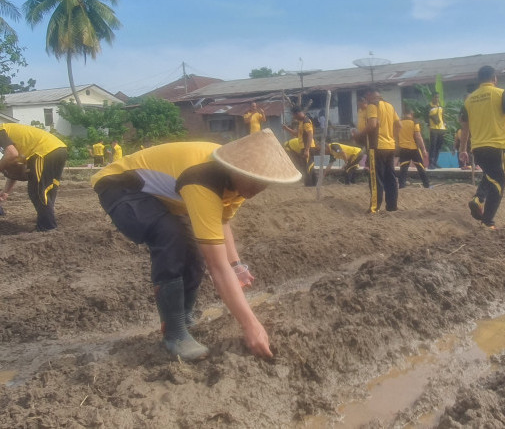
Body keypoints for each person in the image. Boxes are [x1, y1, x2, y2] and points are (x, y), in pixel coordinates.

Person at [90, 129, 301, 361]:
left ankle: (184, 316)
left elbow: (222, 221)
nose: (257, 188)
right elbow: (217, 266)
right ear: (238, 168)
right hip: (121, 187)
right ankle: (174, 333)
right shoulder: (204, 178)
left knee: (195, 251)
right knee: (172, 238)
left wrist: (237, 265)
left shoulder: (238, 184)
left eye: (265, 183)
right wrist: (251, 325)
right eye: (255, 179)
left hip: (158, 197)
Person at [459, 65, 505, 229]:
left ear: (479, 81)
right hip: (499, 147)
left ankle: (479, 199)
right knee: (499, 182)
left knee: (490, 175)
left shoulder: (469, 100)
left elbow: (465, 128)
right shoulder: (501, 94)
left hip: (478, 148)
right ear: (494, 79)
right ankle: (488, 222)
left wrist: (463, 149)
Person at [0, 123, 68, 231]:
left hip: (43, 151)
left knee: (36, 190)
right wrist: (6, 191)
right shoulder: (15, 141)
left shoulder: (1, 130)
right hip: (59, 149)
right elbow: (13, 166)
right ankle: (46, 222)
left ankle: (47, 226)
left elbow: (12, 154)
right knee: (48, 189)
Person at [357, 89, 401, 213]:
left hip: (376, 146)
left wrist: (359, 135)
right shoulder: (390, 106)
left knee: (376, 177)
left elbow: (372, 125)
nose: (366, 99)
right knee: (390, 177)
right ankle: (392, 206)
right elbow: (399, 125)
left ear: (370, 95)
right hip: (390, 146)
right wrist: (392, 138)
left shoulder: (373, 105)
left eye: (367, 96)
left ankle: (374, 207)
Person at [283, 106, 317, 186]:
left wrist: (307, 150)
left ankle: (310, 184)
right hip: (304, 147)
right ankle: (313, 183)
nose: (294, 117)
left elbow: (310, 135)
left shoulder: (306, 122)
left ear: (297, 113)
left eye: (294, 115)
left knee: (308, 166)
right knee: (307, 165)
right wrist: (287, 129)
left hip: (307, 147)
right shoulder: (301, 122)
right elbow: (297, 134)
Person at [397, 110, 430, 189]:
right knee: (420, 168)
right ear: (411, 114)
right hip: (413, 148)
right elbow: (418, 137)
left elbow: (396, 136)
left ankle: (402, 186)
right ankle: (426, 185)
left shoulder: (399, 123)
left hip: (403, 148)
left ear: (403, 114)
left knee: (403, 169)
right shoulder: (414, 123)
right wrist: (424, 150)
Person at [428, 94, 446, 169]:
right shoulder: (429, 107)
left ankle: (435, 162)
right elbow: (426, 117)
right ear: (432, 98)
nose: (437, 99)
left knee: (438, 146)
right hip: (433, 128)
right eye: (435, 97)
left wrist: (445, 125)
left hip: (441, 128)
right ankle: (431, 163)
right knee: (433, 146)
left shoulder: (440, 107)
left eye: (438, 97)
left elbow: (443, 117)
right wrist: (428, 125)